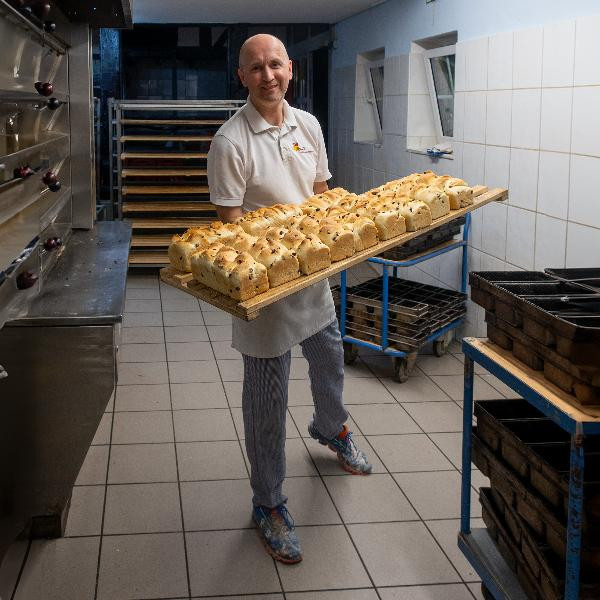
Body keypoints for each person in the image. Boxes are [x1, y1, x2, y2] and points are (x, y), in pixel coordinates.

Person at [207, 33, 372, 564]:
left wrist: (333, 241)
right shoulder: (230, 142)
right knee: (266, 399)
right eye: (255, 68)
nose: (267, 75)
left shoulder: (309, 126)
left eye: (274, 64)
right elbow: (231, 230)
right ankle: (269, 503)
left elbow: (321, 196)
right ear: (242, 77)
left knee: (329, 357)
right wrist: (271, 268)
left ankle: (330, 427)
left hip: (312, 276)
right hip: (265, 289)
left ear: (290, 69)